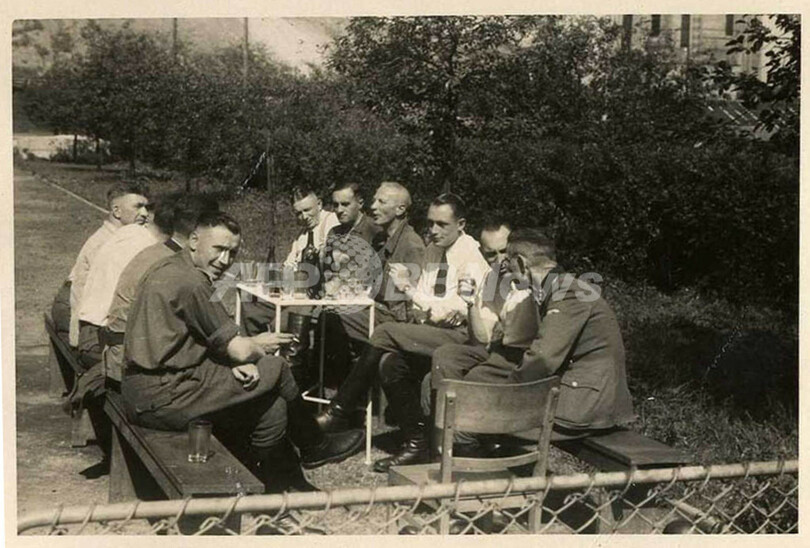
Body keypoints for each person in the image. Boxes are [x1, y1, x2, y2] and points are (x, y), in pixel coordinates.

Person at [123, 211, 364, 496]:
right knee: (276, 367)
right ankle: (314, 445)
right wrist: (259, 345)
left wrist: (231, 362)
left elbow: (192, 340)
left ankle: (280, 486)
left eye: (232, 252)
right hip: (165, 395)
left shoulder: (168, 266)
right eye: (218, 249)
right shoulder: (192, 282)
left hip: (145, 390)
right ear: (194, 241)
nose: (224, 260)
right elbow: (239, 349)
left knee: (272, 406)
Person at [316, 193, 490, 473]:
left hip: (464, 338)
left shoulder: (471, 257)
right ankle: (416, 443)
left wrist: (409, 290)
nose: (433, 230)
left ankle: (339, 410)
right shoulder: (433, 251)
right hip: (432, 331)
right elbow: (426, 310)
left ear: (461, 225)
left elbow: (451, 311)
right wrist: (425, 303)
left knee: (384, 332)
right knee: (389, 363)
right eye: (430, 223)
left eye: (442, 224)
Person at [431, 228, 636, 447]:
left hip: (583, 407)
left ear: (520, 263)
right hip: (579, 397)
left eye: (509, 263)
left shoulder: (569, 293)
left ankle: (473, 468)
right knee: (468, 415)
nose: (506, 269)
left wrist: (503, 395)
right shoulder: (560, 287)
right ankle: (492, 466)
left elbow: (542, 358)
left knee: (465, 425)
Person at [102, 194, 219, 384]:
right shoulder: (176, 267)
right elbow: (210, 322)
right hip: (134, 365)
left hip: (120, 352)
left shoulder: (156, 251)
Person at [55, 182, 150, 348]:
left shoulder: (123, 237)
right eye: (138, 207)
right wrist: (77, 337)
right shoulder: (105, 243)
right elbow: (80, 289)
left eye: (146, 208)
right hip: (70, 306)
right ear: (116, 211)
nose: (144, 214)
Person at [76, 206, 165, 369]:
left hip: (90, 331)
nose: (142, 213)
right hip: (100, 341)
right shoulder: (146, 247)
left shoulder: (129, 232)